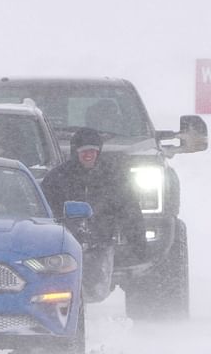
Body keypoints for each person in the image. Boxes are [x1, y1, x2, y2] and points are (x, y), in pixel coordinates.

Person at [41, 127, 146, 303]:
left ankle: (85, 311)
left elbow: (130, 210)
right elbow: (45, 210)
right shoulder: (57, 178)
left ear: (99, 152)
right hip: (64, 245)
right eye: (83, 151)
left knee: (96, 292)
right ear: (75, 152)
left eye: (93, 151)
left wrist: (137, 242)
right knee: (64, 291)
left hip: (101, 243)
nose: (88, 155)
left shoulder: (114, 177)